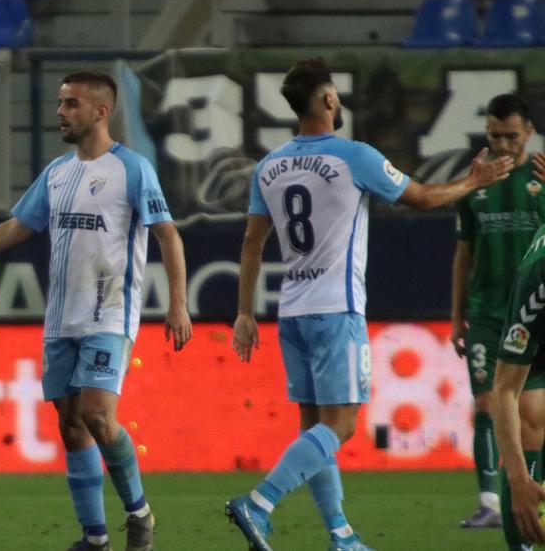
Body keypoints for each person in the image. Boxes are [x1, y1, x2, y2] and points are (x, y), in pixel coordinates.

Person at [225, 58, 514, 551]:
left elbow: (252, 241)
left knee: (314, 429)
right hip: (336, 309)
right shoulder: (353, 156)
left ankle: (341, 535)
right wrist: (473, 182)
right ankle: (260, 501)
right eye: (336, 92)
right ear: (329, 100)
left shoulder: (269, 166)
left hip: (291, 312)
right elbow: (420, 197)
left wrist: (245, 313)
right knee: (340, 426)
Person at [0, 71, 191, 551]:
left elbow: (167, 234)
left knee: (97, 415)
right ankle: (94, 537)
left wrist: (178, 303)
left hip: (109, 315)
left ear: (100, 111)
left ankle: (139, 513)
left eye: (71, 104)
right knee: (70, 424)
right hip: (60, 319)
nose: (60, 112)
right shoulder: (57, 172)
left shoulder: (132, 169)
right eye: (60, 103)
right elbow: (16, 228)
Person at [453, 94, 545, 529]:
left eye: (511, 136)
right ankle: (490, 501)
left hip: (534, 316)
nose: (502, 145)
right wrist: (457, 316)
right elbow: (463, 254)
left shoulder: (542, 178)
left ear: (528, 133)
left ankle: (528, 492)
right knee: (488, 403)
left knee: (532, 418)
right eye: (494, 136)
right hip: (488, 316)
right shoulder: (474, 184)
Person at [492, 219, 545, 550]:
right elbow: (505, 390)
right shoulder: (537, 280)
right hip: (540, 339)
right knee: (530, 417)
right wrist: (519, 480)